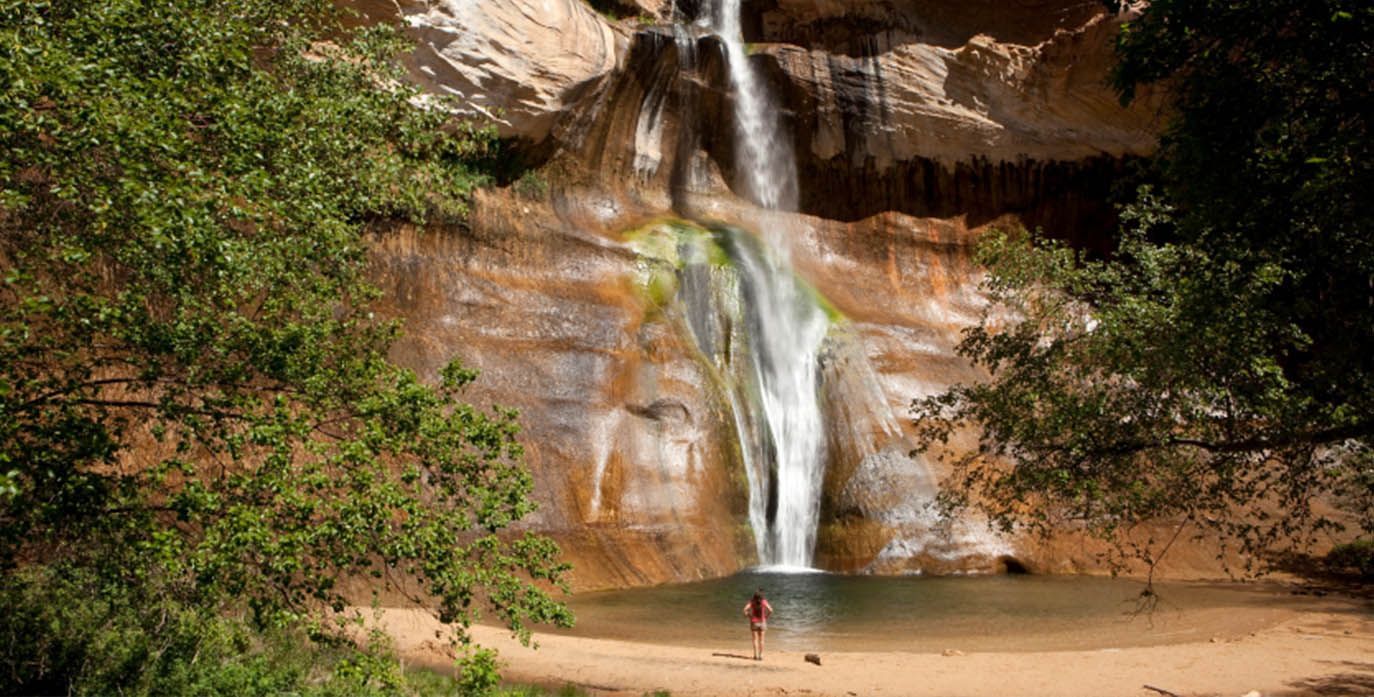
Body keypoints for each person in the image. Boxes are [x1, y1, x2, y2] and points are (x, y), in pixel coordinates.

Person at [742, 588, 773, 660]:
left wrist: (749, 616)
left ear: (754, 596)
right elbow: (771, 610)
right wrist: (766, 617)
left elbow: (744, 610)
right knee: (761, 640)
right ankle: (761, 655)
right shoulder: (763, 601)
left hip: (754, 622)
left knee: (754, 640)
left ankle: (755, 655)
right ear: (761, 596)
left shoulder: (752, 602)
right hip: (762, 622)